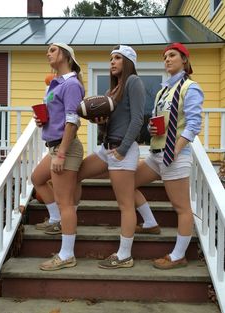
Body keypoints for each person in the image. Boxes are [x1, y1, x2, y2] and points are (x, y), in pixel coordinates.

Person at [134, 42, 204, 269]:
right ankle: (150, 222)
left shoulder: (190, 87)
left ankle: (178, 255)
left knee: (181, 206)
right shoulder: (163, 91)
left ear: (184, 59)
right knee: (127, 183)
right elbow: (162, 121)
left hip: (176, 154)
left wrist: (175, 149)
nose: (167, 59)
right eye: (164, 56)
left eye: (172, 55)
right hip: (156, 154)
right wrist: (153, 130)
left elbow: (193, 124)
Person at [76, 45, 145, 269]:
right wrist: (101, 123)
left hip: (122, 151)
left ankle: (124, 255)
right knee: (75, 175)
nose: (112, 62)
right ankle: (65, 218)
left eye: (117, 58)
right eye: (111, 59)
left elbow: (137, 120)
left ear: (128, 61)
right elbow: (111, 125)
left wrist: (123, 149)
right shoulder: (111, 92)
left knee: (125, 205)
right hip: (107, 149)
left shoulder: (134, 82)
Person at [31, 43, 85, 270]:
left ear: (65, 55)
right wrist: (43, 121)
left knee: (66, 203)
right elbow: (59, 115)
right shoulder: (56, 84)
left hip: (65, 148)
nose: (48, 53)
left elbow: (73, 121)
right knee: (37, 179)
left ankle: (66, 255)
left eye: (52, 50)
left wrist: (61, 153)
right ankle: (54, 220)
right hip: (54, 146)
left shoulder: (72, 84)